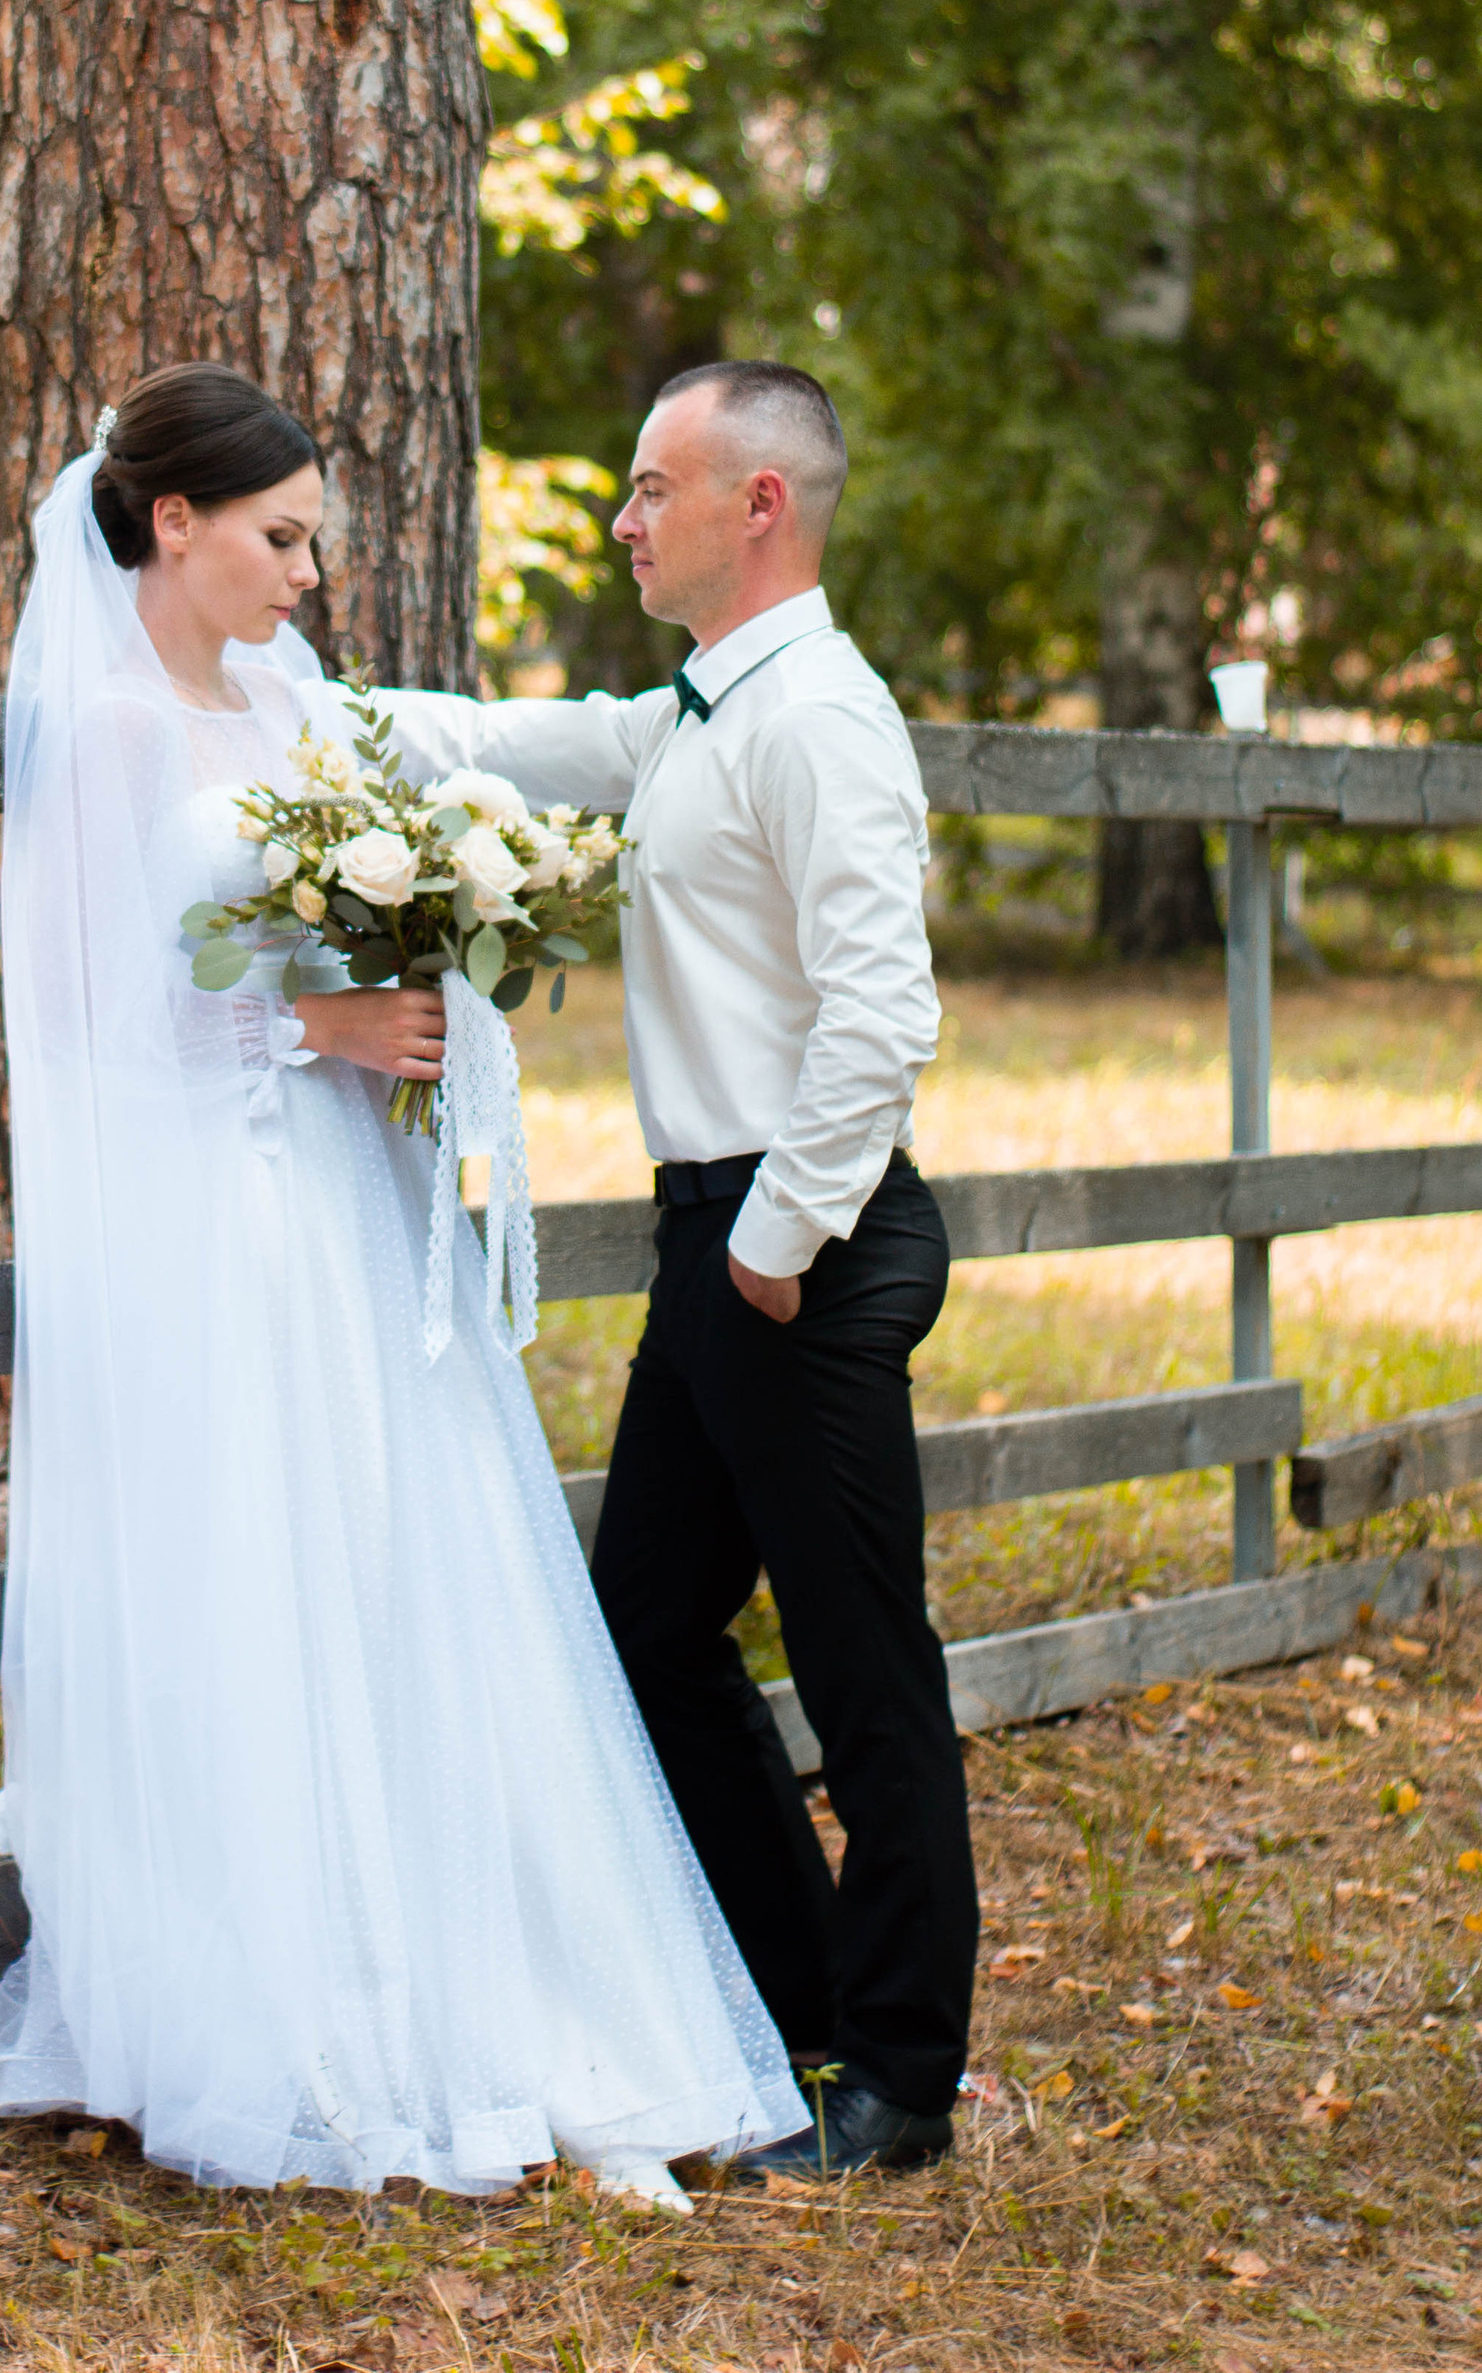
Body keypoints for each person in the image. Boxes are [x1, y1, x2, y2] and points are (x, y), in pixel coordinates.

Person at [0, 361, 802, 2202]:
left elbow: (443, 784)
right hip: (219, 1207)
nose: (306, 577)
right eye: (280, 540)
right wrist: (314, 1028)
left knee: (391, 1543)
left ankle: (464, 1960)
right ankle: (283, 1987)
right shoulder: (108, 731)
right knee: (257, 1560)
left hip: (349, 1193)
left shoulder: (293, 699)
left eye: (313, 545)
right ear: (171, 521)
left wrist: (439, 936)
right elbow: (95, 1035)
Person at [384, 360, 978, 2181]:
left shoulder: (822, 723)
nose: (627, 518)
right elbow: (504, 740)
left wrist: (776, 1250)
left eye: (655, 488)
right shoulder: (695, 715)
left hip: (802, 1245)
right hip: (714, 1241)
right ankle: (795, 2001)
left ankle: (901, 2082)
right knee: (644, 1626)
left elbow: (883, 1017)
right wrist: (283, 703)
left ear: (759, 506)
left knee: (865, 1665)